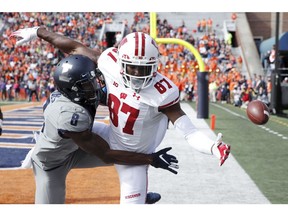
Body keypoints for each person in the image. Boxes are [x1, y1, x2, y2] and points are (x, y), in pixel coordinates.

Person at [11, 27, 231, 204]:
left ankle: (139, 197)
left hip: (133, 155)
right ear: (121, 61)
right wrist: (37, 31)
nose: (137, 75)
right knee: (62, 129)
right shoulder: (110, 62)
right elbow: (74, 47)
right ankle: (41, 153)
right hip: (109, 136)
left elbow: (189, 131)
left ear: (155, 66)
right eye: (132, 67)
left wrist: (214, 147)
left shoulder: (163, 92)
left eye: (144, 69)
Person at [16, 54, 179, 204]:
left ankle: (136, 196)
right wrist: (151, 159)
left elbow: (121, 98)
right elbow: (107, 155)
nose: (95, 85)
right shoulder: (70, 115)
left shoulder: (78, 95)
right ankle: (38, 153)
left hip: (74, 147)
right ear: (74, 89)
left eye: (94, 79)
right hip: (51, 163)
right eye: (88, 83)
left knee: (131, 151)